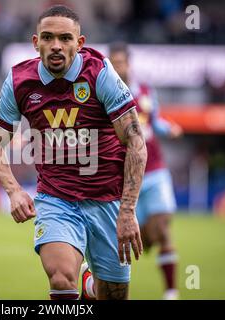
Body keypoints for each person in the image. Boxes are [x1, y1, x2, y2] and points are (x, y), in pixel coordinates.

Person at [0, 5, 147, 300]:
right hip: (55, 198)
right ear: (36, 42)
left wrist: (127, 211)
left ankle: (91, 287)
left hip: (107, 198)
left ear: (80, 43)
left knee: (112, 294)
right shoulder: (19, 82)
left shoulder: (100, 74)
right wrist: (13, 191)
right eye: (47, 37)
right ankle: (80, 284)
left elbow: (136, 142)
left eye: (65, 38)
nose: (56, 45)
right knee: (60, 279)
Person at [81, 42, 183, 300]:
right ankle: (96, 286)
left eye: (122, 62)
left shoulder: (146, 92)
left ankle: (171, 292)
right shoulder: (102, 94)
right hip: (121, 177)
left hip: (155, 171)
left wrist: (166, 128)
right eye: (113, 62)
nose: (118, 67)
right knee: (125, 242)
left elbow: (154, 122)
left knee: (162, 229)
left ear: (129, 63)